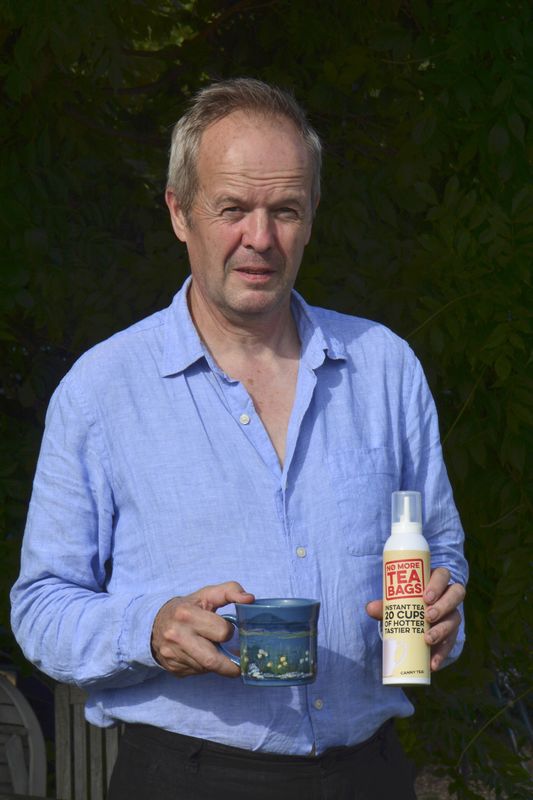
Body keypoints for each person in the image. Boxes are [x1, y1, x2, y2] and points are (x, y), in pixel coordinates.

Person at [11, 78, 467, 800]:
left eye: (284, 209)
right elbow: (41, 606)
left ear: (311, 217)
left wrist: (445, 610)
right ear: (178, 212)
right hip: (185, 776)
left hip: (367, 773)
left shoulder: (384, 368)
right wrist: (147, 629)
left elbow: (437, 549)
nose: (260, 237)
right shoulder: (103, 389)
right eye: (233, 209)